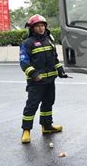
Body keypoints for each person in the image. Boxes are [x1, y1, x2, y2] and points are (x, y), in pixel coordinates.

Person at [19, 14, 69, 144]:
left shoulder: (49, 40)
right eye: (37, 26)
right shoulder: (27, 43)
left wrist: (60, 70)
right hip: (36, 82)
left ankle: (46, 127)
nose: (41, 28)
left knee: (48, 103)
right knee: (32, 106)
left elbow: (55, 59)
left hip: (50, 81)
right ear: (32, 28)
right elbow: (24, 63)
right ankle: (26, 131)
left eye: (42, 25)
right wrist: (34, 75)